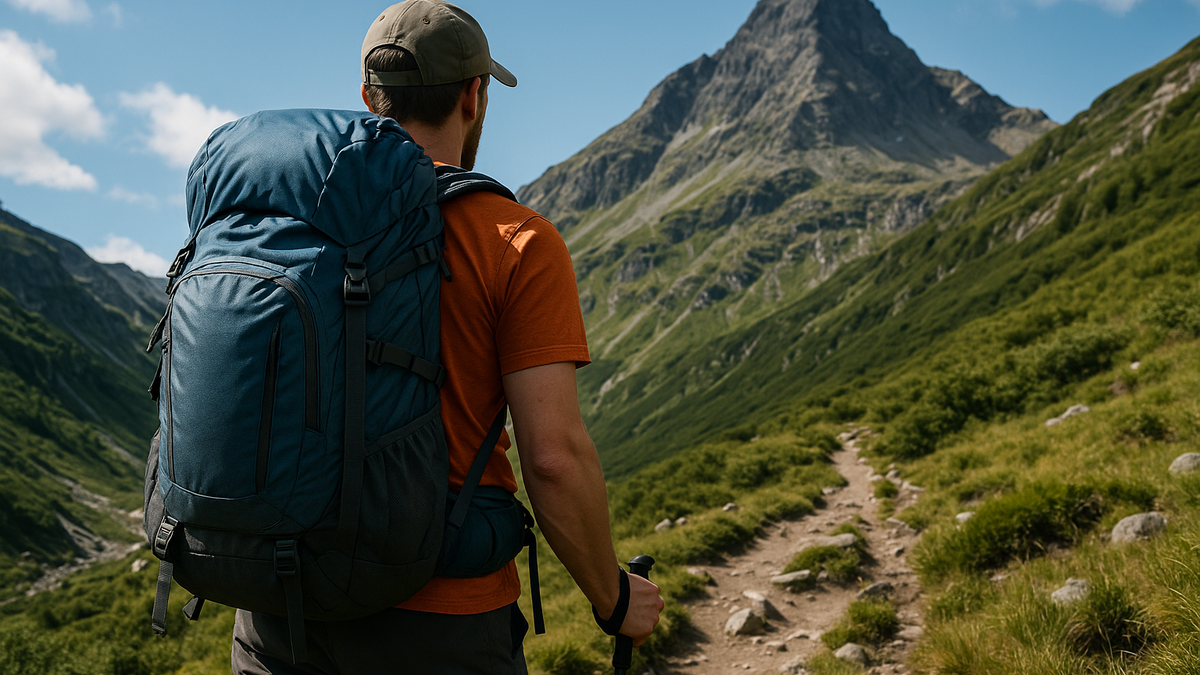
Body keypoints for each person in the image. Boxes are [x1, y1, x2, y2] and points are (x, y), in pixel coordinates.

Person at [230, 2, 664, 672]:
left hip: (277, 612)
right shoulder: (515, 240)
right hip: (443, 623)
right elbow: (552, 458)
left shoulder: (291, 223)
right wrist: (613, 598)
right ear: (474, 95)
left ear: (369, 98)